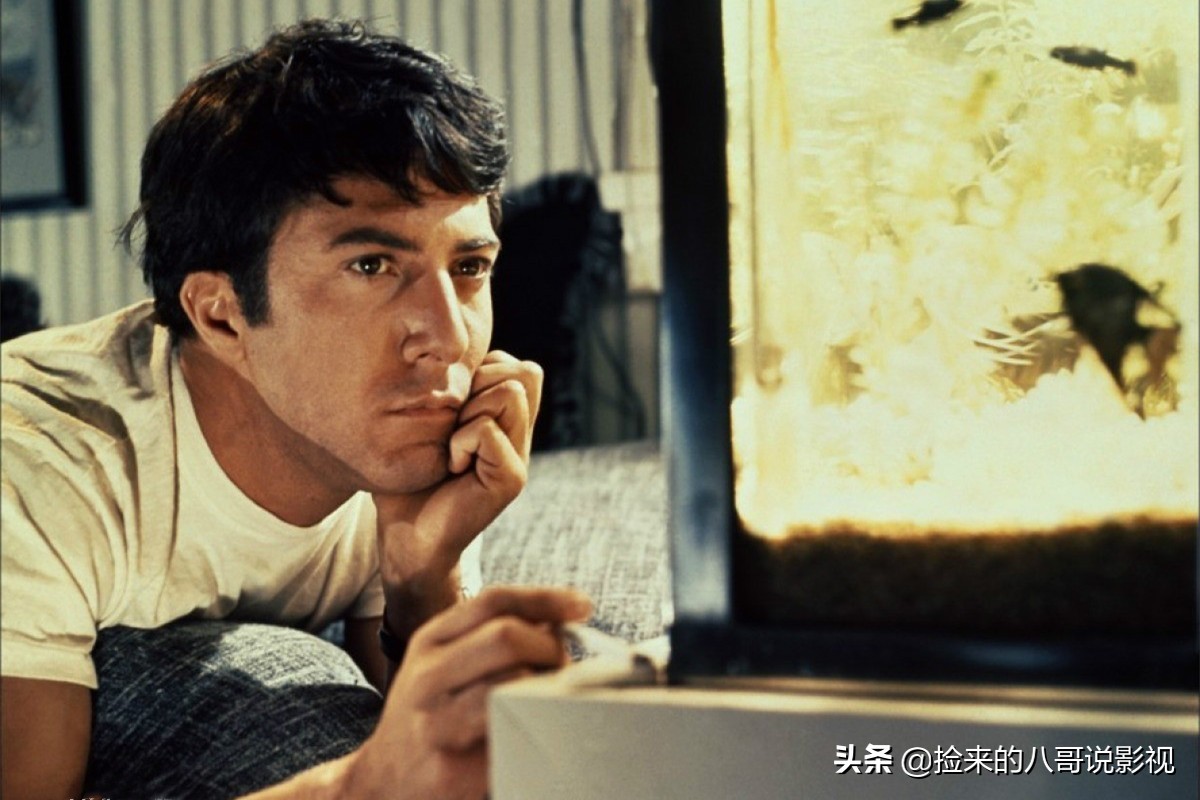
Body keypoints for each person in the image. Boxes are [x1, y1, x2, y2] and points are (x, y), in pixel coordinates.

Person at [0, 18, 590, 799]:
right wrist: (354, 785)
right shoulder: (42, 465)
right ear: (221, 317)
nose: (448, 339)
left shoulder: (388, 426)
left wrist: (423, 574)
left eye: (470, 266)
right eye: (372, 265)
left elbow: (445, 752)